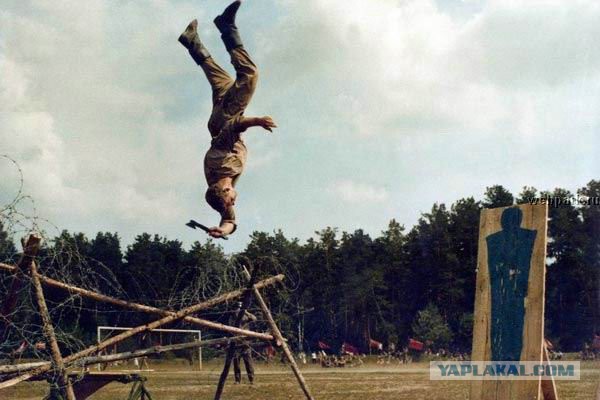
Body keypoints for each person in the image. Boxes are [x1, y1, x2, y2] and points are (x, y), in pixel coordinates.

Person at [178, 1, 277, 239]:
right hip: (217, 123)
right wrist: (222, 229)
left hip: (226, 120)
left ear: (224, 190)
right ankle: (191, 41)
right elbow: (230, 219)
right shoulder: (219, 186)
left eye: (230, 198)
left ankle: (226, 26)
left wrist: (258, 121)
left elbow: (234, 126)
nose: (234, 199)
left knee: (249, 75)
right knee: (218, 78)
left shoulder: (223, 164)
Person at [229, 302, 258, 384]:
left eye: (239, 308)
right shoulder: (232, 316)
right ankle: (237, 380)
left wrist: (246, 312)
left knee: (248, 362)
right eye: (237, 308)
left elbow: (255, 319)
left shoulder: (246, 316)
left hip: (246, 341)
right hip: (236, 341)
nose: (237, 310)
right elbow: (230, 327)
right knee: (236, 362)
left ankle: (251, 379)